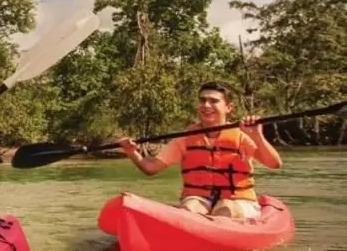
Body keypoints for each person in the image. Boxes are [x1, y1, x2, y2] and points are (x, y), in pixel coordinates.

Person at [117, 81, 283, 219]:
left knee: (225, 208)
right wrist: (132, 152)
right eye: (202, 100)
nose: (206, 105)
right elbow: (150, 168)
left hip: (239, 201)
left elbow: (274, 164)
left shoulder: (242, 136)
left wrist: (258, 137)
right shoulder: (184, 139)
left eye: (213, 101)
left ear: (229, 108)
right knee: (190, 206)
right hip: (198, 198)